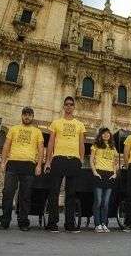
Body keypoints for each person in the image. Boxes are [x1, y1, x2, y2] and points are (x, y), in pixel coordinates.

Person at [44, 96, 85, 233]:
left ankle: (69, 224)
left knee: (71, 193)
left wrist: (81, 159)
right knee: (54, 192)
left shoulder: (80, 125)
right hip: (58, 159)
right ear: (64, 106)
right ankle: (52, 223)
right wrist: (48, 161)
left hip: (74, 160)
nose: (69, 106)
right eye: (66, 104)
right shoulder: (56, 123)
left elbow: (81, 144)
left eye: (71, 104)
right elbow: (50, 143)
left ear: (74, 107)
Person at [0, 106, 44, 231]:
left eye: (29, 114)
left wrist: (39, 165)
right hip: (12, 164)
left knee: (25, 196)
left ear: (32, 117)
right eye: (25, 114)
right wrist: (3, 163)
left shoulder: (37, 132)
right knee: (8, 193)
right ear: (22, 116)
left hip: (29, 165)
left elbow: (41, 149)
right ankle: (5, 221)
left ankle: (23, 222)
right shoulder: (13, 129)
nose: (27, 116)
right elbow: (6, 146)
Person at [90, 127, 118, 233]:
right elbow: (92, 160)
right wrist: (94, 172)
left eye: (108, 133)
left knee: (106, 202)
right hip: (99, 173)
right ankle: (97, 224)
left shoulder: (112, 147)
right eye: (104, 133)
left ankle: (104, 223)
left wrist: (115, 173)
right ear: (100, 135)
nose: (106, 135)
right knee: (98, 201)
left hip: (109, 174)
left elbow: (114, 162)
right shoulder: (95, 145)